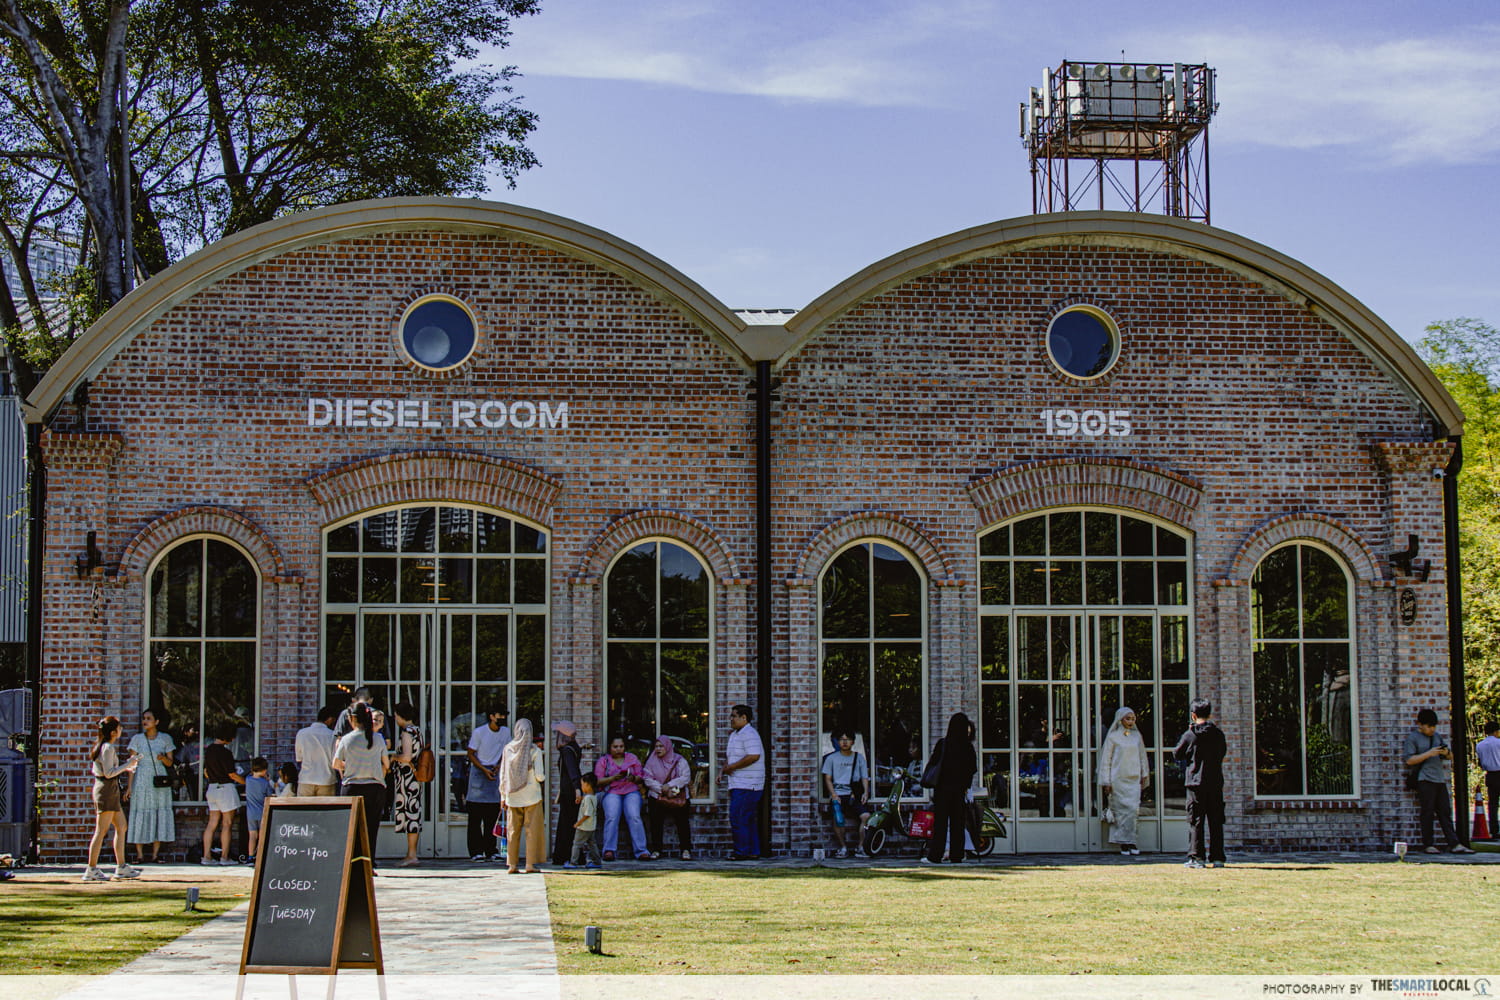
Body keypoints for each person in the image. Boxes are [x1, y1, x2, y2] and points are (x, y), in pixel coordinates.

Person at [1403, 708, 1475, 854]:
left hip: (1439, 779)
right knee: (1427, 812)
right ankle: (1428, 844)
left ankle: (1454, 843)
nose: (1431, 729)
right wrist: (1429, 753)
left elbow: (1450, 757)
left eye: (1434, 726)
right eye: (1429, 726)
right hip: (1424, 779)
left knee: (1445, 812)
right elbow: (1409, 760)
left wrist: (1446, 753)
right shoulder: (1413, 738)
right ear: (1420, 724)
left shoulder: (1437, 737)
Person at [84, 716, 142, 881]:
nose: (121, 730)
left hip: (111, 790)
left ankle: (121, 866)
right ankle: (91, 868)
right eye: (119, 728)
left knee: (122, 826)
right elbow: (109, 773)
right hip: (106, 790)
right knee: (101, 830)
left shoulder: (104, 747)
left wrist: (126, 766)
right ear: (113, 732)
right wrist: (128, 765)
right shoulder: (107, 748)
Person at [1173, 699, 1227, 868]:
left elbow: (1177, 754)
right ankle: (1217, 857)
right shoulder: (1218, 734)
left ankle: (1197, 857)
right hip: (1215, 782)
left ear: (1193, 715)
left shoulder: (1190, 735)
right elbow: (1222, 753)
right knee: (1216, 820)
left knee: (1196, 821)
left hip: (1196, 783)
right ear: (1210, 714)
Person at [334, 703, 389, 861]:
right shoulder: (378, 738)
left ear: (352, 719)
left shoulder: (346, 739)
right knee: (371, 828)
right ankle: (369, 862)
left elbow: (336, 763)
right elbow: (386, 763)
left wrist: (349, 764)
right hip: (374, 787)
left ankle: (352, 860)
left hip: (352, 787)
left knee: (351, 828)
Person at [924, 712, 977, 865]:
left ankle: (935, 855)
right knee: (958, 823)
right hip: (959, 790)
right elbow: (972, 768)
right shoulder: (967, 747)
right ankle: (957, 854)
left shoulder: (943, 744)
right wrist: (966, 785)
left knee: (940, 824)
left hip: (942, 789)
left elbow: (934, 762)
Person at [124, 707, 176, 864]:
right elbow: (132, 764)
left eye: (148, 718)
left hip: (158, 778)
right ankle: (139, 854)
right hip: (141, 779)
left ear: (157, 722)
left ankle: (156, 854)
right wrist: (129, 786)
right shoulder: (137, 739)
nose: (145, 721)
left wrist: (162, 758)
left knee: (158, 812)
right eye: (144, 718)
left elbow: (170, 762)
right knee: (140, 811)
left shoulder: (165, 738)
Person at [1099, 706, 1150, 856]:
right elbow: (1106, 760)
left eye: (1133, 719)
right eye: (1128, 718)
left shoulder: (1137, 737)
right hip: (1118, 780)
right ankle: (1122, 843)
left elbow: (1142, 756)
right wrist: (1106, 781)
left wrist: (1144, 774)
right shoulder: (1113, 737)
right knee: (1120, 812)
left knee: (1132, 811)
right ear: (1120, 719)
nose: (1130, 721)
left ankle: (1132, 841)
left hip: (1133, 780)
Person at [501, 718, 547, 874]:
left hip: (512, 796)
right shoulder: (535, 751)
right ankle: (529, 865)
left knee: (513, 831)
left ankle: (512, 865)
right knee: (532, 831)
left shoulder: (508, 749)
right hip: (532, 796)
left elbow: (503, 775)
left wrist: (503, 795)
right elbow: (540, 776)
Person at [720, 705, 765, 860]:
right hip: (737, 783)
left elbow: (754, 756)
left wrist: (732, 767)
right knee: (747, 818)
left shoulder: (750, 734)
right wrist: (723, 771)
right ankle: (753, 851)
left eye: (734, 716)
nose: (731, 719)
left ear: (744, 718)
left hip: (748, 784)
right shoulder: (734, 735)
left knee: (737, 817)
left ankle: (741, 852)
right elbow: (731, 756)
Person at [595, 736, 649, 860]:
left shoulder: (632, 758)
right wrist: (612, 778)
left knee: (634, 815)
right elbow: (597, 781)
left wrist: (633, 778)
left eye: (621, 746)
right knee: (612, 816)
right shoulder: (604, 760)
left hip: (631, 790)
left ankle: (641, 851)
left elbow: (641, 776)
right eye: (615, 747)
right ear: (610, 747)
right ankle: (609, 850)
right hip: (612, 791)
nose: (618, 749)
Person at [465, 706, 509, 861]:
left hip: (495, 772)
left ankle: (491, 850)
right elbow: (470, 753)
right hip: (479, 771)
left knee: (492, 815)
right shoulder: (479, 732)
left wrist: (498, 766)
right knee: (475, 817)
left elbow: (506, 750)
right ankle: (475, 851)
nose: (503, 718)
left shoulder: (506, 732)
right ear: (491, 716)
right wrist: (483, 769)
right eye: (500, 715)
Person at [820, 730, 870, 858]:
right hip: (838, 793)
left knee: (866, 817)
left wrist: (865, 792)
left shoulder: (859, 758)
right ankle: (843, 847)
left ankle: (860, 847)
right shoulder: (831, 758)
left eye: (847, 739)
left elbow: (864, 776)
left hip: (854, 793)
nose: (844, 742)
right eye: (842, 739)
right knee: (838, 819)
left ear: (853, 742)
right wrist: (834, 795)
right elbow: (827, 778)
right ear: (837, 742)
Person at [643, 735, 693, 861]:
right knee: (655, 821)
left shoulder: (679, 760)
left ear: (668, 747)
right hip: (657, 795)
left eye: (661, 746)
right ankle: (657, 850)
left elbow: (685, 777)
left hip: (678, 795)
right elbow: (647, 779)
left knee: (682, 821)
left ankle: (686, 849)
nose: (658, 749)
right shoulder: (651, 761)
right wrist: (662, 789)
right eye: (656, 746)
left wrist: (670, 786)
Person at [201, 723, 244, 866]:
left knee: (212, 823)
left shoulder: (208, 751)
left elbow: (206, 773)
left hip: (212, 788)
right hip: (225, 788)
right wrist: (246, 782)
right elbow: (232, 774)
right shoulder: (225, 752)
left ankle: (206, 857)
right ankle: (224, 857)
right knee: (227, 823)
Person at [390, 702, 425, 867]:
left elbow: (406, 757)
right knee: (414, 812)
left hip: (407, 777)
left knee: (410, 813)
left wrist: (393, 758)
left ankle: (411, 854)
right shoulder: (417, 731)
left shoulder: (406, 732)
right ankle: (411, 853)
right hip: (414, 777)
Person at [551, 720, 585, 866]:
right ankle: (574, 856)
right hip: (570, 789)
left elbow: (572, 771)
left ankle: (564, 856)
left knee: (566, 824)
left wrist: (577, 789)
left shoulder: (566, 751)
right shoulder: (574, 748)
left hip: (569, 791)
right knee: (571, 823)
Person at [295, 705, 338, 796]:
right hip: (327, 780)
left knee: (303, 809)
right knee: (325, 810)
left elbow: (299, 759)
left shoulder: (302, 733)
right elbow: (335, 760)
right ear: (330, 719)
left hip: (306, 779)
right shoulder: (333, 736)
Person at [565, 773, 603, 868]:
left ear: (587, 785)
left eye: (582, 784)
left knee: (577, 844)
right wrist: (582, 799)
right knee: (592, 844)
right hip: (591, 826)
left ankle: (573, 863)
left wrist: (578, 823)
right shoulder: (593, 797)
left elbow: (587, 814)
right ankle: (597, 862)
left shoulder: (588, 799)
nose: (581, 787)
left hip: (583, 827)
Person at [244, 757, 271, 863]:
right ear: (265, 770)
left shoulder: (248, 780)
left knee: (252, 835)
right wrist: (268, 780)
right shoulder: (264, 783)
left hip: (250, 813)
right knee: (262, 835)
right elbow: (269, 794)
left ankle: (250, 856)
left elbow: (249, 775)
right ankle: (260, 856)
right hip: (261, 812)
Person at [1477, 720, 1500, 840]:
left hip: (1490, 774)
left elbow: (1480, 762)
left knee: (1493, 803)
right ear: (1496, 731)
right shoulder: (1499, 743)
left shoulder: (1480, 745)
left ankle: (1494, 830)